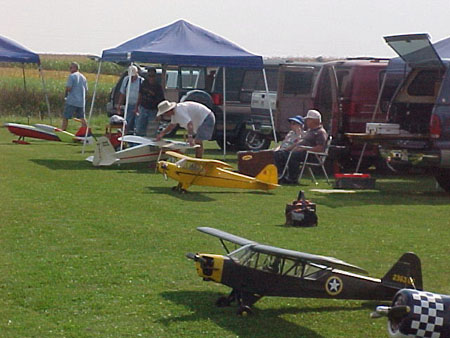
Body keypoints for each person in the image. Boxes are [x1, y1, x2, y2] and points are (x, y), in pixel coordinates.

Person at [278, 110, 328, 184]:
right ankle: (281, 176)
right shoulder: (310, 131)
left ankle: (292, 178)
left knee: (293, 156)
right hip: (302, 152)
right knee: (280, 154)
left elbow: (320, 148)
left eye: (308, 120)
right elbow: (300, 141)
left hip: (312, 155)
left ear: (314, 121)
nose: (306, 122)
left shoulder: (320, 132)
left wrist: (305, 148)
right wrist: (290, 148)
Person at [135, 67, 165, 136]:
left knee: (151, 131)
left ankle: (150, 145)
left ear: (155, 76)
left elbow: (161, 102)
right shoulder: (144, 84)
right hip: (143, 109)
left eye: (153, 76)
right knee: (139, 129)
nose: (151, 78)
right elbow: (140, 95)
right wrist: (136, 107)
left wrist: (160, 114)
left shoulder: (158, 87)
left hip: (153, 111)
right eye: (149, 76)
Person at [274, 115, 305, 179]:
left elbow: (298, 144)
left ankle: (281, 174)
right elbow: (283, 142)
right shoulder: (290, 133)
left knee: (279, 154)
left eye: (294, 124)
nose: (291, 125)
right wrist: (277, 148)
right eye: (291, 123)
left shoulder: (303, 134)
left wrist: (298, 134)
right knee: (269, 153)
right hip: (282, 150)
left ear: (300, 125)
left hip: (290, 152)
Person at [115, 65, 143, 134]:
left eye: (133, 76)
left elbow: (141, 95)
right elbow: (122, 93)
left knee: (137, 125)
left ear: (137, 73)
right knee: (127, 124)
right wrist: (119, 106)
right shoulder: (126, 80)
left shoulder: (141, 81)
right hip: (128, 105)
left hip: (139, 106)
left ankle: (135, 139)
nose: (132, 78)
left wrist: (137, 107)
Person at [62, 62, 87, 131]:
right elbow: (86, 89)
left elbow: (69, 88)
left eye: (71, 68)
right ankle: (85, 131)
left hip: (72, 100)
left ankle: (63, 130)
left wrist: (65, 94)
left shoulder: (72, 76)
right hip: (81, 102)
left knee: (65, 117)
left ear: (75, 68)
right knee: (82, 117)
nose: (70, 69)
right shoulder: (83, 77)